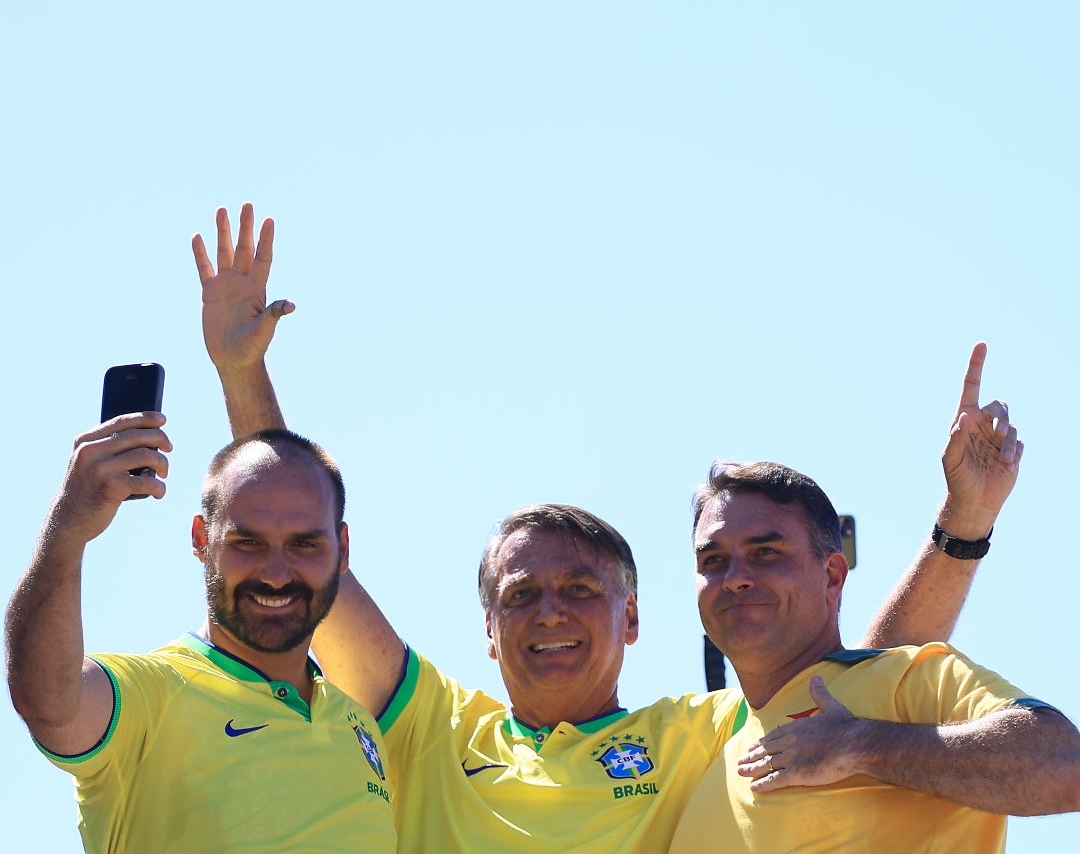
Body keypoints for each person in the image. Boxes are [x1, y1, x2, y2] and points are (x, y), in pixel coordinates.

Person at [192, 203, 1025, 851]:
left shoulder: (697, 738)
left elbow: (855, 678)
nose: (550, 611)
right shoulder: (429, 728)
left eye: (581, 589)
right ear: (488, 629)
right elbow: (305, 554)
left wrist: (962, 525)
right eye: (521, 595)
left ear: (632, 616)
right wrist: (242, 372)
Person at [4, 419, 396, 852]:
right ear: (201, 540)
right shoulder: (154, 694)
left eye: (304, 545)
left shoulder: (360, 726)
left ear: (342, 549)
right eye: (248, 543)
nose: (277, 575)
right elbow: (50, 704)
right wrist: (67, 528)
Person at [669, 460, 1080, 852]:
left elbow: (1066, 766)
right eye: (713, 560)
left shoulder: (904, 679)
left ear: (832, 576)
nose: (735, 578)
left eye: (766, 553)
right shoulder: (702, 745)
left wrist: (858, 745)